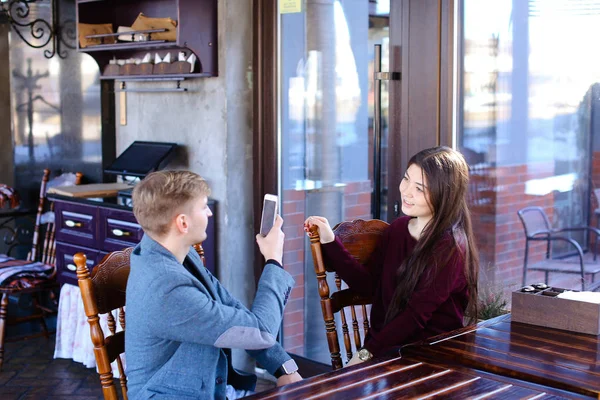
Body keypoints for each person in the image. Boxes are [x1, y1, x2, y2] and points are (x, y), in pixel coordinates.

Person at [126, 170, 302, 399]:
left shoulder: (178, 254)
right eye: (203, 206)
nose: (209, 213)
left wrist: (283, 367)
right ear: (182, 223)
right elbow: (262, 331)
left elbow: (238, 317)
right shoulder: (167, 289)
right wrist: (274, 260)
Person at [304, 146, 479, 366]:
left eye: (419, 188)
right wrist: (331, 241)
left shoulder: (451, 247)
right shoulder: (397, 230)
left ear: (444, 195)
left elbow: (414, 316)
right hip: (388, 350)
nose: (406, 192)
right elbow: (367, 286)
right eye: (406, 180)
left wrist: (366, 354)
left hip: (433, 357)